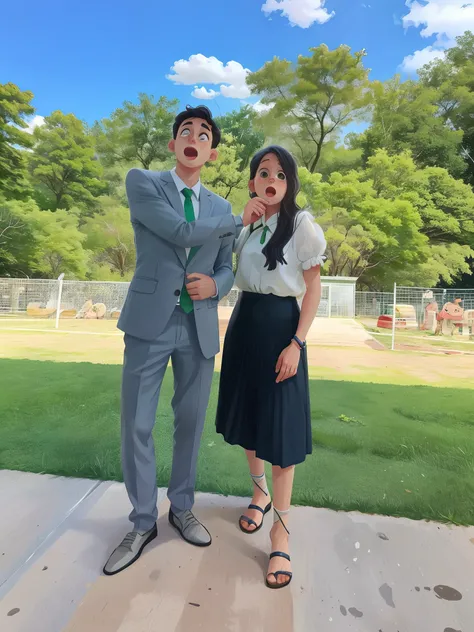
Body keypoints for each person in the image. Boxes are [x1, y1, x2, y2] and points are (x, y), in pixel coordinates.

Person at [103, 105, 262, 576]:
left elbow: (225, 267)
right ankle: (141, 521)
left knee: (190, 425)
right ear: (174, 144)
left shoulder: (216, 205)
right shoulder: (144, 183)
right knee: (137, 423)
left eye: (204, 134)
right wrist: (236, 219)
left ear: (211, 153)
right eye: (186, 131)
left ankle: (182, 507)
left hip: (199, 327)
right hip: (149, 322)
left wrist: (218, 286)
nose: (195, 136)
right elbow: (178, 231)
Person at [216, 146, 326, 589]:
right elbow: (224, 269)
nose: (271, 178)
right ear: (252, 182)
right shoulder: (246, 228)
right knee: (249, 422)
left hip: (282, 328)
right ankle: (258, 492)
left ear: (290, 182)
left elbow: (312, 291)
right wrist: (241, 222)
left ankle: (280, 532)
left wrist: (297, 343)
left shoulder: (301, 226)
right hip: (244, 325)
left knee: (280, 432)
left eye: (280, 173)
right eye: (263, 172)